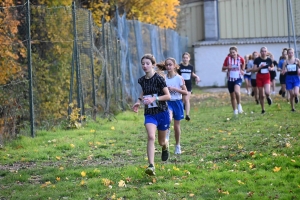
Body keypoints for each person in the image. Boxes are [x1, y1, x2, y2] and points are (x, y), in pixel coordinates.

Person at [132, 54, 171, 176]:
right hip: (150, 113)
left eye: (147, 63)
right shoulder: (142, 80)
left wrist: (155, 99)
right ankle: (151, 165)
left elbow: (168, 96)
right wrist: (138, 101)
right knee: (150, 137)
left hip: (162, 112)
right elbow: (144, 91)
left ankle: (166, 146)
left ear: (153, 65)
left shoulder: (159, 79)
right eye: (143, 63)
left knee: (161, 142)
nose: (145, 66)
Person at [157, 58, 188, 155]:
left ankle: (177, 145)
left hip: (177, 102)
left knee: (176, 126)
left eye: (170, 65)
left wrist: (175, 89)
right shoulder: (164, 78)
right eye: (167, 65)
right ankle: (167, 135)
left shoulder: (179, 78)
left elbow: (185, 92)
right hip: (168, 102)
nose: (168, 67)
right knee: (168, 119)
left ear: (174, 66)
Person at [221, 46, 245, 115]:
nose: (232, 54)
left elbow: (243, 63)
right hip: (230, 79)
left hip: (238, 78)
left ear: (237, 52)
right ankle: (235, 111)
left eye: (234, 52)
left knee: (237, 92)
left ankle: (239, 105)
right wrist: (227, 67)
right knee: (232, 96)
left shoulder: (240, 58)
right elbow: (223, 68)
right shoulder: (227, 59)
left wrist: (242, 70)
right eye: (231, 53)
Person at [178, 52, 200, 121]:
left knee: (186, 99)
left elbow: (192, 74)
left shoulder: (190, 67)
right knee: (181, 100)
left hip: (188, 85)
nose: (185, 59)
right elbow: (176, 75)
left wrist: (196, 77)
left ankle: (187, 115)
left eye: (186, 58)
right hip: (181, 85)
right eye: (184, 58)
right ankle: (181, 114)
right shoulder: (179, 66)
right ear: (182, 58)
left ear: (189, 59)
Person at [253, 46, 274, 114]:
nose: (263, 52)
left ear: (267, 52)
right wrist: (260, 67)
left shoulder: (269, 60)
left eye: (265, 51)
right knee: (261, 95)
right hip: (259, 77)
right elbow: (254, 69)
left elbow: (272, 66)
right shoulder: (257, 60)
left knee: (267, 92)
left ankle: (268, 97)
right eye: (262, 51)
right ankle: (263, 109)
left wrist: (271, 69)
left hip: (266, 77)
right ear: (260, 52)